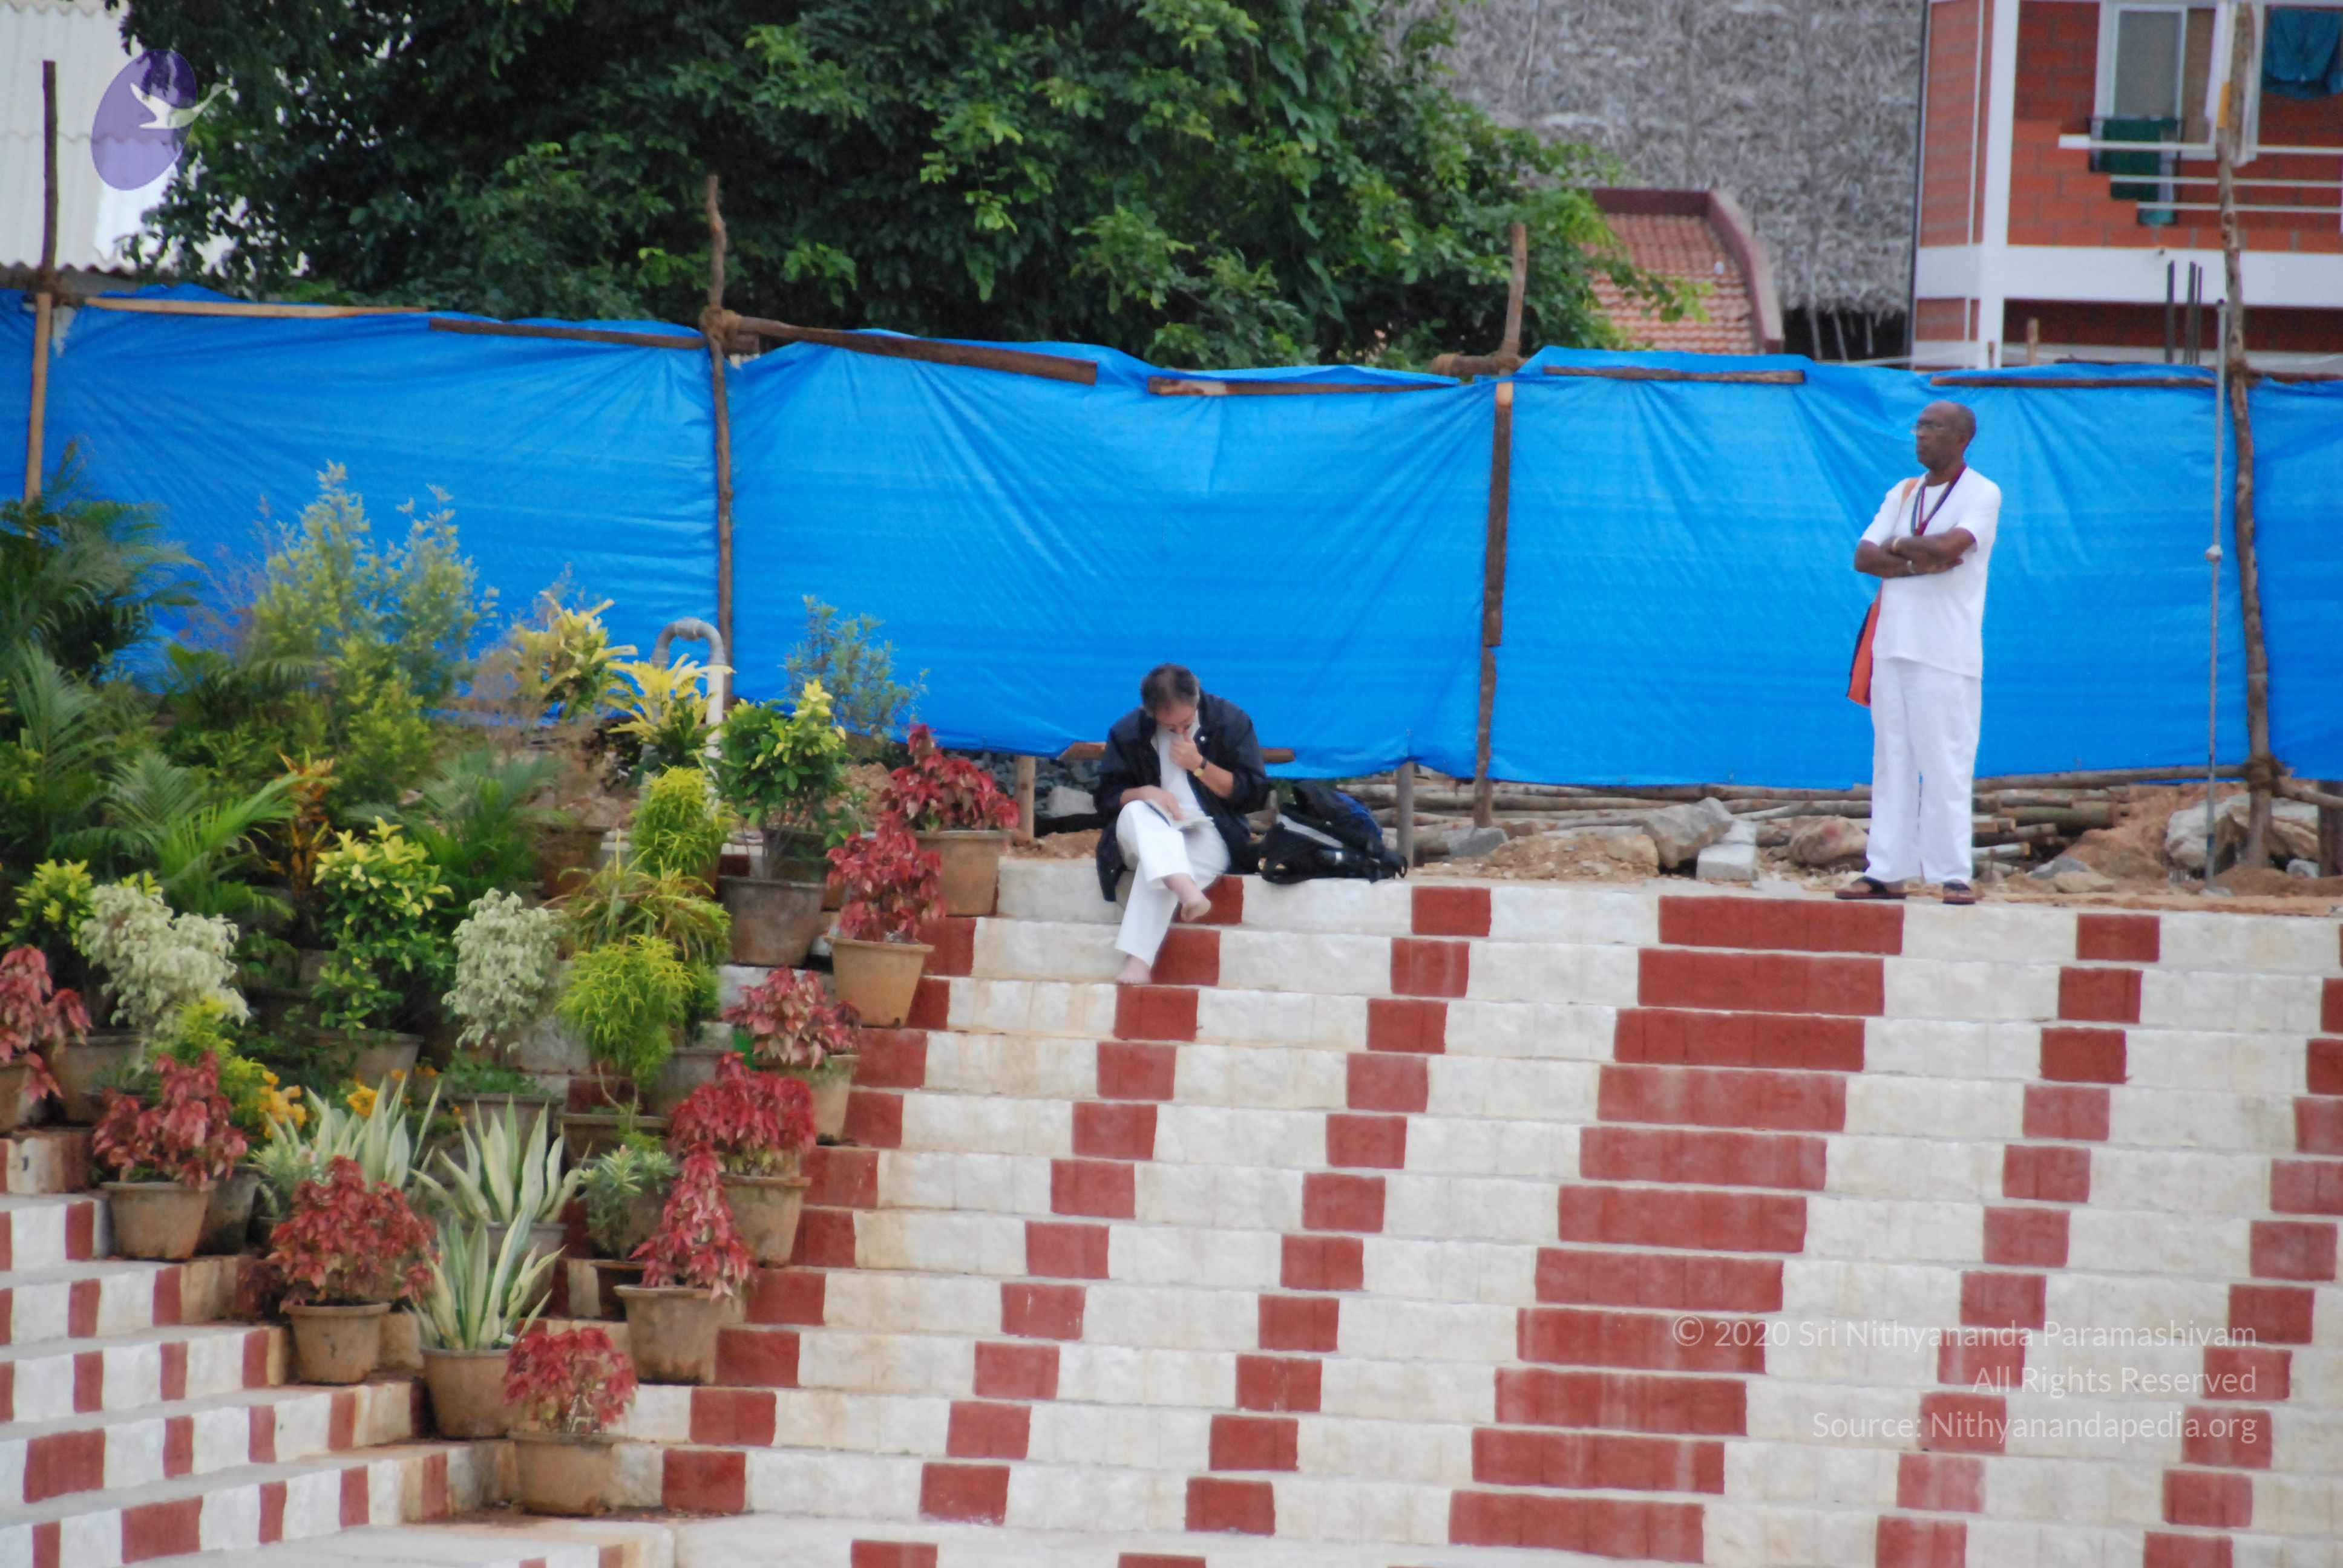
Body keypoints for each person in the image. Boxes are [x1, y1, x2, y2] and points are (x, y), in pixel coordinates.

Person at [1840, 399, 2002, 906]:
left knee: (1945, 762)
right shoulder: (1903, 491)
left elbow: (1951, 549)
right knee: (1891, 761)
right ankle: (1886, 871)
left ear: (1962, 439)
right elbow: (1864, 556)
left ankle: (1952, 873)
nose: (1921, 435)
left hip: (1945, 650)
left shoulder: (1982, 492)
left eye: (1933, 427)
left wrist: (1902, 546)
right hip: (1892, 646)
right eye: (1920, 426)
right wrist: (1917, 557)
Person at [1093, 664, 1270, 984]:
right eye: (1168, 726)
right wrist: (1145, 793)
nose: (1177, 731)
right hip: (1145, 828)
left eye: (1186, 724)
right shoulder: (1129, 731)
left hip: (1208, 830)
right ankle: (1187, 890)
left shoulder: (1228, 721)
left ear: (1197, 699)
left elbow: (1253, 795)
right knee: (1137, 812)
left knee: (1160, 865)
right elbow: (1105, 800)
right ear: (1150, 713)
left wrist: (1199, 765)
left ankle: (1138, 962)